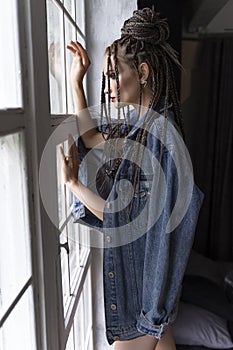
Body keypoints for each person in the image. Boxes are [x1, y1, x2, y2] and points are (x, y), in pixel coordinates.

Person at [60, 8, 203, 350]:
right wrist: (75, 83)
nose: (108, 87)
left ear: (142, 73)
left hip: (144, 297)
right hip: (153, 296)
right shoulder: (148, 126)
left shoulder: (158, 137)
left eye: (113, 76)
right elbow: (97, 141)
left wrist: (73, 185)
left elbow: (124, 216)